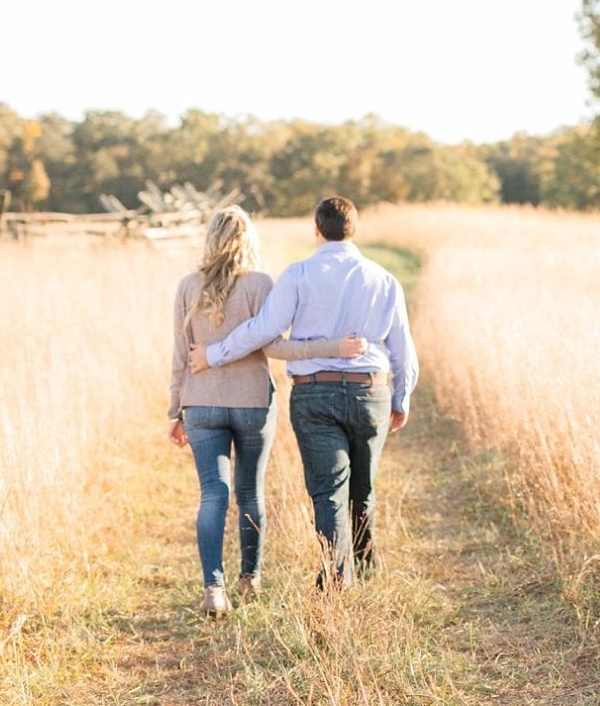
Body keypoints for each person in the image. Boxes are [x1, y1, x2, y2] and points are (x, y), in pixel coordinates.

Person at [189, 195, 416, 590]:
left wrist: (213, 353)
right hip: (370, 392)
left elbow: (263, 330)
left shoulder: (298, 275)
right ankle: (362, 566)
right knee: (363, 487)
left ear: (316, 230)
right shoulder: (384, 279)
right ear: (354, 230)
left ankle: (336, 576)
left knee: (328, 490)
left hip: (315, 394)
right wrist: (401, 398)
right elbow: (402, 347)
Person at [170, 206, 367, 616]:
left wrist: (175, 410)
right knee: (248, 492)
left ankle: (213, 590)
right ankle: (250, 578)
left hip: (201, 403)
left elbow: (179, 357)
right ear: (249, 240)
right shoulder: (260, 285)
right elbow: (275, 347)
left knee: (212, 493)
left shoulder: (188, 286)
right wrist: (334, 348)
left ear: (211, 238)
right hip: (252, 403)